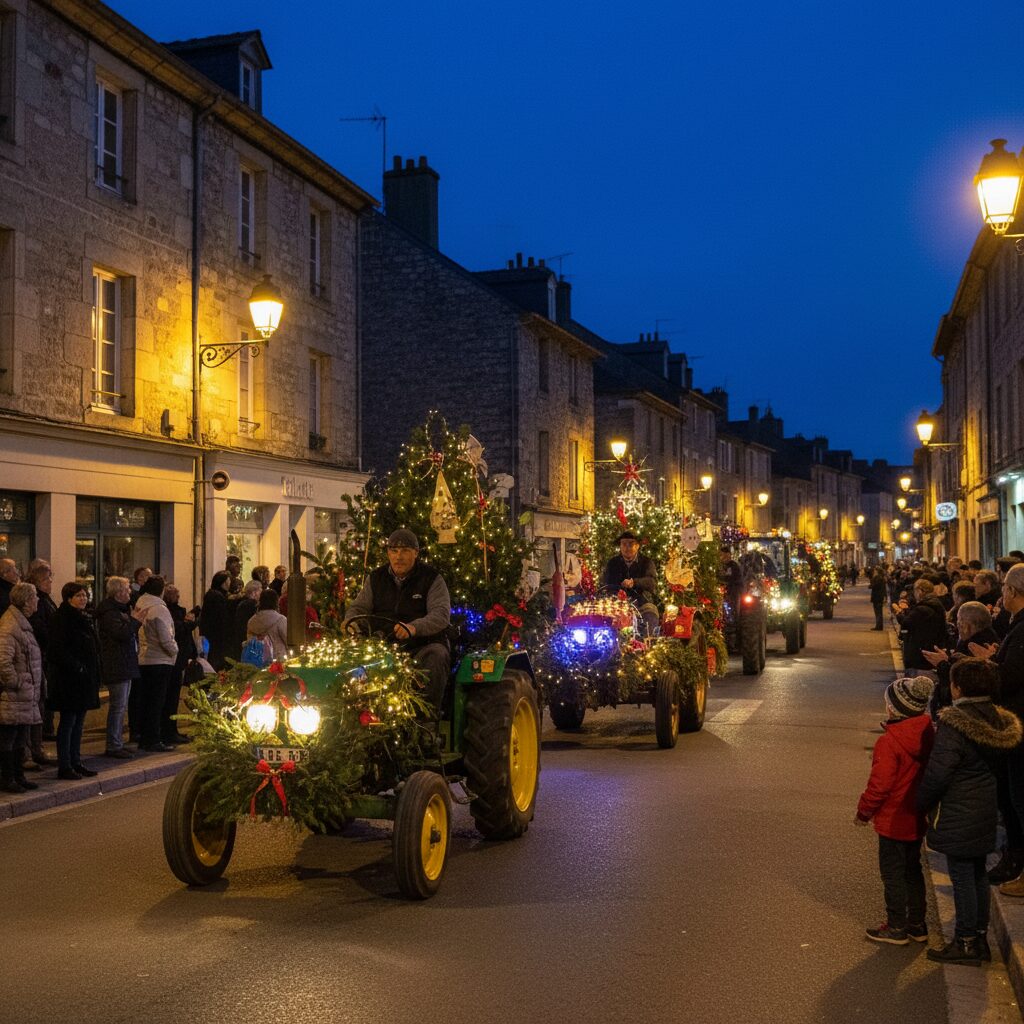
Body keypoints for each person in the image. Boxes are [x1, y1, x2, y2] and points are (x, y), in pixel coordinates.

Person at [917, 658, 1022, 965]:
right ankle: (977, 937)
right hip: (985, 808)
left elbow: (939, 772)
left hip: (958, 810)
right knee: (976, 873)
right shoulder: (999, 721)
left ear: (958, 687)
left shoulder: (956, 722)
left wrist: (921, 801)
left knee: (962, 876)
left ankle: (964, 941)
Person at [856, 676, 935, 945]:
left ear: (894, 708)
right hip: (916, 816)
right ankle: (917, 924)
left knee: (892, 875)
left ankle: (896, 926)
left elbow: (880, 786)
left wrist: (863, 812)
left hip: (892, 820)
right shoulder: (927, 733)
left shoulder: (890, 743)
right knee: (913, 872)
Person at [343, 529, 451, 711]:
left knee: (437, 655)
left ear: (416, 553)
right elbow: (358, 608)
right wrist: (351, 622)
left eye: (405, 551)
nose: (399, 556)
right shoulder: (376, 579)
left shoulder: (431, 579)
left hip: (420, 646)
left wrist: (413, 628)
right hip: (381, 645)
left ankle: (426, 718)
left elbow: (440, 614)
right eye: (394, 551)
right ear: (388, 553)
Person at [47, 582, 101, 780]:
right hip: (69, 680)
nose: (83, 599)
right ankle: (65, 765)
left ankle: (76, 761)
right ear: (68, 598)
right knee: (68, 722)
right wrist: (77, 666)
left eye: (85, 595)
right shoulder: (62, 619)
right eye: (78, 596)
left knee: (79, 723)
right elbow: (57, 650)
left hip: (84, 679)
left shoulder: (83, 618)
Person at [0, 582, 43, 792]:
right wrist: (17, 681)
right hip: (13, 694)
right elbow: (3, 661)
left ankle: (18, 776)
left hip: (24, 694)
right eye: (35, 596)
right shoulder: (10, 626)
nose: (38, 600)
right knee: (9, 737)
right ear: (26, 601)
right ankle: (8, 778)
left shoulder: (22, 623)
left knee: (19, 737)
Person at [94, 576, 141, 759]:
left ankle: (117, 742)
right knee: (118, 706)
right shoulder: (110, 613)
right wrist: (135, 621)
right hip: (117, 664)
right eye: (127, 589)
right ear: (119, 592)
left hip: (124, 663)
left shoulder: (119, 611)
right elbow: (121, 634)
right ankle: (113, 744)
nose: (130, 592)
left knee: (121, 706)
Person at [134, 575, 178, 752]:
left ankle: (145, 737)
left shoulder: (140, 605)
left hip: (144, 658)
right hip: (159, 659)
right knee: (156, 702)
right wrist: (175, 650)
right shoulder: (160, 609)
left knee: (146, 701)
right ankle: (152, 739)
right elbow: (166, 637)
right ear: (161, 590)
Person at [25, 563, 57, 766]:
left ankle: (37, 747)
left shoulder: (45, 601)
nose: (51, 582)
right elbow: (42, 630)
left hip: (43, 660)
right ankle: (30, 751)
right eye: (47, 579)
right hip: (39, 661)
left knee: (41, 705)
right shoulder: (38, 605)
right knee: (34, 708)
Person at [603, 531, 659, 635]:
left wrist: (635, 582)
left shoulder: (647, 562)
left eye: (631, 544)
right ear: (620, 546)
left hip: (641, 603)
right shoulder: (613, 563)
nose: (627, 547)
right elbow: (606, 583)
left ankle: (646, 645)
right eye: (624, 544)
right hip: (618, 604)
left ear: (637, 546)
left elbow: (651, 582)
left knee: (651, 614)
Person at [161, 584, 195, 746]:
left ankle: (172, 730)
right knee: (171, 695)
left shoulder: (176, 611)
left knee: (174, 695)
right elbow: (178, 630)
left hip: (179, 656)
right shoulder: (169, 612)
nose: (179, 597)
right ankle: (169, 731)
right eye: (176, 594)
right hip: (174, 656)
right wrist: (190, 622)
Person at [894, 579, 948, 675]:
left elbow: (906, 622)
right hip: (929, 648)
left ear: (920, 591)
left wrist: (899, 613)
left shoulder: (923, 608)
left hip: (920, 653)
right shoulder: (934, 604)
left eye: (915, 591)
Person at [199, 571, 232, 670]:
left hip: (210, 636)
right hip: (216, 638)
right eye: (228, 580)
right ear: (224, 583)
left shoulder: (212, 594)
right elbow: (221, 619)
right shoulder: (218, 596)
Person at [246, 589, 289, 661]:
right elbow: (288, 640)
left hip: (257, 659)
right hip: (278, 659)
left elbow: (249, 640)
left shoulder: (251, 621)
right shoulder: (280, 619)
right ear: (276, 601)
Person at [230, 580, 263, 662]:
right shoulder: (253, 605)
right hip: (247, 639)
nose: (261, 595)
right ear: (254, 592)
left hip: (238, 638)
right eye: (260, 591)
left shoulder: (241, 603)